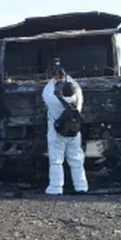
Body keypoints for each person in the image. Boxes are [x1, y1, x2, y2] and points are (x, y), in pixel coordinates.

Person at [41, 67, 88, 195]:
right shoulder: (77, 100)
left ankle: (56, 188)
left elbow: (46, 92)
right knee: (76, 159)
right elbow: (78, 89)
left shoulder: (53, 100)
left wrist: (55, 78)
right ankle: (81, 186)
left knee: (56, 160)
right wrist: (66, 76)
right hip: (74, 132)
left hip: (57, 133)